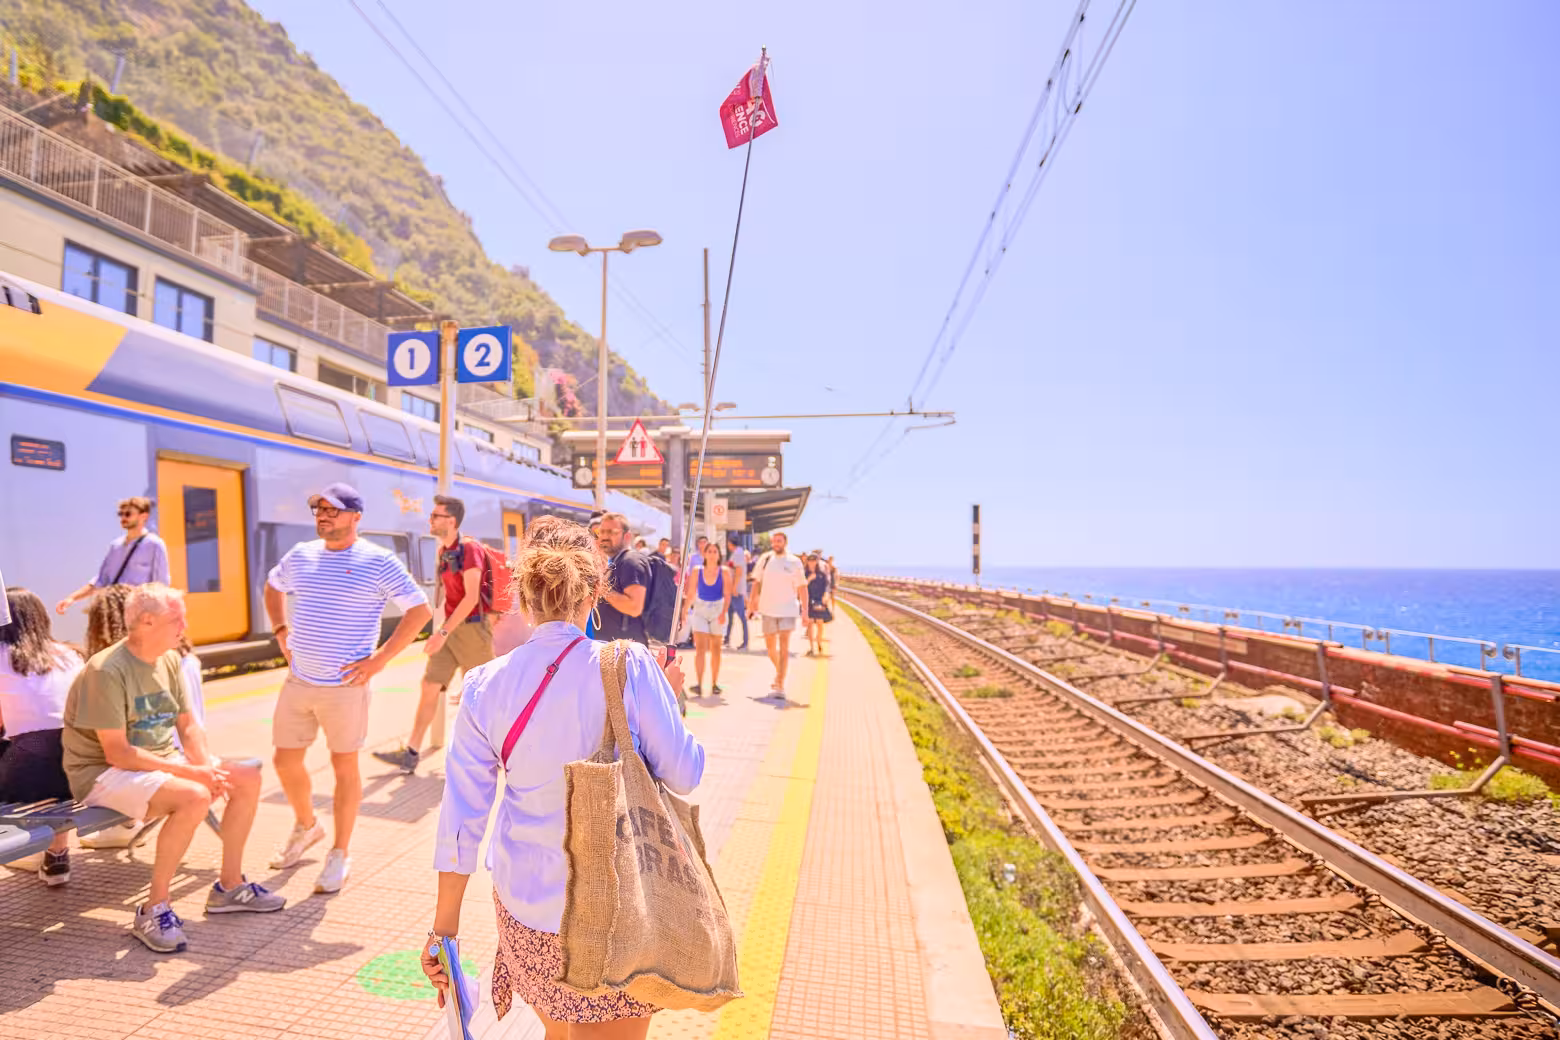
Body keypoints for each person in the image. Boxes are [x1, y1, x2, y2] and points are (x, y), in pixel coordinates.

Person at [423, 516, 704, 1037]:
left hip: (527, 910)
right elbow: (686, 774)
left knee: (558, 1032)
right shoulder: (633, 666)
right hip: (618, 911)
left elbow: (463, 815)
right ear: (596, 590)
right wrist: (671, 697)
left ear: (522, 596)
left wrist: (445, 930)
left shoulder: (484, 684)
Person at [61, 584, 285, 953]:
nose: (184, 625)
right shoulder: (106, 670)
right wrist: (195, 776)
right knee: (194, 796)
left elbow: (188, 726)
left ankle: (229, 887)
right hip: (102, 773)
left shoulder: (167, 658)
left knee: (246, 776)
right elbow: (117, 753)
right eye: (176, 618)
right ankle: (153, 909)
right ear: (146, 622)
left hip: (158, 761)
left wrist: (202, 766)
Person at [264, 483, 431, 893]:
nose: (323, 516)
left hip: (345, 686)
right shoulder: (300, 555)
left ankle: (339, 852)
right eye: (319, 509)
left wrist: (380, 661)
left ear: (356, 516)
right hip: (299, 680)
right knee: (284, 762)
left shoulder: (378, 562)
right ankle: (307, 826)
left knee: (344, 767)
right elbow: (273, 586)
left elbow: (420, 610)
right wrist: (281, 629)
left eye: (333, 510)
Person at [375, 495, 494, 775]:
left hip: (472, 629)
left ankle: (491, 757)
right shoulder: (443, 551)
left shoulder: (470, 550)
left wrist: (441, 632)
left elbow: (471, 597)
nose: (430, 520)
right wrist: (437, 629)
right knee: (429, 686)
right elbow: (444, 596)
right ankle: (411, 753)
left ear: (451, 521)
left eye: (435, 516)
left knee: (480, 696)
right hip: (450, 629)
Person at [0, 586, 82, 885]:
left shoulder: (3, 656)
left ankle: (29, 845)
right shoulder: (71, 656)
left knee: (28, 747)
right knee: (51, 746)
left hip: (30, 775)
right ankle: (57, 855)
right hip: (76, 770)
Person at [55, 497, 171, 615]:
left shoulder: (154, 544)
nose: (123, 518)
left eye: (128, 514)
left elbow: (161, 585)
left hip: (139, 613)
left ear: (144, 516)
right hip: (114, 611)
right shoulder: (116, 546)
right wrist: (72, 598)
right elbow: (100, 581)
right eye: (120, 514)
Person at [748, 531, 808, 699]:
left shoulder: (794, 562)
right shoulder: (765, 559)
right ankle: (780, 673)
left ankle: (780, 684)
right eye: (774, 541)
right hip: (767, 609)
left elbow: (803, 586)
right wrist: (751, 604)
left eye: (779, 541)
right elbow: (756, 582)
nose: (776, 544)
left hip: (788, 610)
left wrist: (805, 611)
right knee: (770, 649)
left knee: (784, 648)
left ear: (785, 543)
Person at [594, 512, 652, 645]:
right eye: (601, 531)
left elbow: (634, 607)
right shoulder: (616, 562)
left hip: (626, 652)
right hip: (614, 649)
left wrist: (602, 589)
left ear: (627, 536)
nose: (604, 536)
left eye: (611, 532)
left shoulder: (630, 562)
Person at [683, 541, 731, 696]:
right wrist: (685, 610)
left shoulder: (724, 571)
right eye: (709, 551)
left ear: (719, 555)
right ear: (704, 554)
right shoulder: (698, 570)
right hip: (701, 609)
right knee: (700, 649)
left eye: (714, 551)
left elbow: (728, 594)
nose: (711, 554)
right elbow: (691, 593)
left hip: (718, 609)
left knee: (716, 648)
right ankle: (699, 683)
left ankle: (714, 683)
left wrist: (724, 612)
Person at [723, 534, 750, 651]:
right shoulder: (737, 553)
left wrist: (734, 588)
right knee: (729, 616)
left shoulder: (738, 553)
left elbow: (738, 571)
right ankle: (727, 639)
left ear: (730, 543)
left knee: (741, 617)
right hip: (733, 590)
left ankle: (745, 642)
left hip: (736, 591)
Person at [803, 555, 834, 657]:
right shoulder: (805, 573)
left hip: (820, 600)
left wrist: (826, 595)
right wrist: (809, 580)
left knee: (820, 623)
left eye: (814, 561)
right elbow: (801, 587)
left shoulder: (821, 574)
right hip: (809, 600)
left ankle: (819, 642)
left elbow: (827, 586)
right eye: (810, 561)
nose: (812, 563)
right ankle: (812, 648)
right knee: (810, 623)